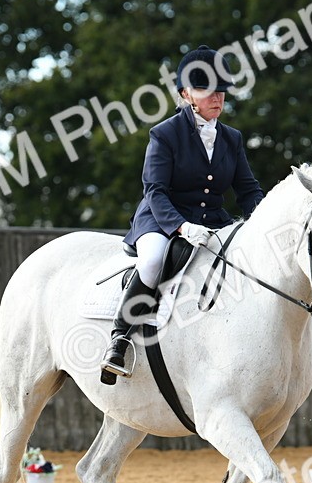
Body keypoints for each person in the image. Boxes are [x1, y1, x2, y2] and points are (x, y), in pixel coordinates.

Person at [100, 45, 264, 382]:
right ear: (186, 93)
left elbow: (247, 190)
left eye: (221, 90)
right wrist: (181, 227)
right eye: (207, 91)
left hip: (212, 222)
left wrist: (261, 223)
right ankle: (119, 338)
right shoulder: (164, 134)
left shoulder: (231, 138)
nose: (217, 98)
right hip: (162, 218)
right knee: (152, 261)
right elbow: (155, 190)